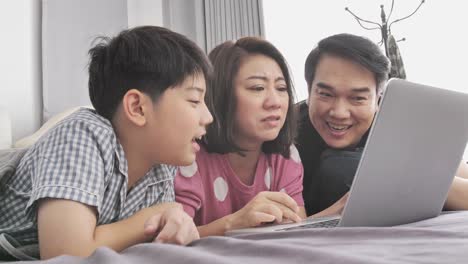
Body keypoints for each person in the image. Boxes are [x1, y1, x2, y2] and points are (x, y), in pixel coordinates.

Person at [0, 26, 213, 260]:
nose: (208, 117)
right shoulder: (83, 134)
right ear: (137, 108)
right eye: (194, 100)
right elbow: (65, 254)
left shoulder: (161, 168)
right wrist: (157, 215)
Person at [296, 33, 468, 216]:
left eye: (357, 98)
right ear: (309, 89)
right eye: (326, 94)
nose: (339, 112)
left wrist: (414, 177)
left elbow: (456, 171)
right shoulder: (284, 135)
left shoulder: (392, 128)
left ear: (378, 99)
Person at [174, 37, 306, 237]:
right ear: (221, 94)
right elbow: (171, 239)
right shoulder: (187, 156)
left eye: (281, 89)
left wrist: (337, 210)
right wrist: (234, 223)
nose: (275, 102)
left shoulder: (286, 156)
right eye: (258, 88)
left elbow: (298, 227)